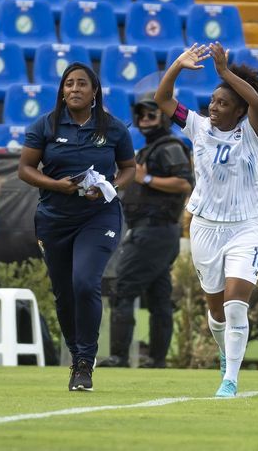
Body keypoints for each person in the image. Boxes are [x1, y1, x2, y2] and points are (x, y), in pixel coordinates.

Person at [155, 42, 258, 398]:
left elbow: (257, 104)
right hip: (204, 227)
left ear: (239, 111)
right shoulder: (197, 126)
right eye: (213, 101)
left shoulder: (252, 133)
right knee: (217, 311)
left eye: (223, 103)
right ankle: (225, 353)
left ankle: (230, 380)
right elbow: (162, 99)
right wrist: (177, 65)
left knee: (236, 305)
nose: (214, 107)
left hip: (246, 227)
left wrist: (224, 73)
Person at [18, 62, 136, 391]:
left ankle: (84, 361)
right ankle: (77, 354)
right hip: (54, 219)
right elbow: (25, 169)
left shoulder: (113, 128)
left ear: (94, 90)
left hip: (99, 216)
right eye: (68, 84)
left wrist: (111, 186)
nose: (74, 89)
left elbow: (130, 168)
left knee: (84, 282)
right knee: (64, 293)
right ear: (61, 91)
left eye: (82, 83)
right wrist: (56, 185)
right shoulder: (45, 124)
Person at [97, 94, 193, 369]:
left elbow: (185, 184)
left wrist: (146, 178)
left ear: (163, 117)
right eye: (140, 115)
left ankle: (120, 357)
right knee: (159, 295)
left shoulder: (168, 146)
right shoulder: (152, 148)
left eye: (151, 114)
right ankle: (157, 360)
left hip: (153, 232)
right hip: (157, 232)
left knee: (124, 289)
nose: (145, 119)